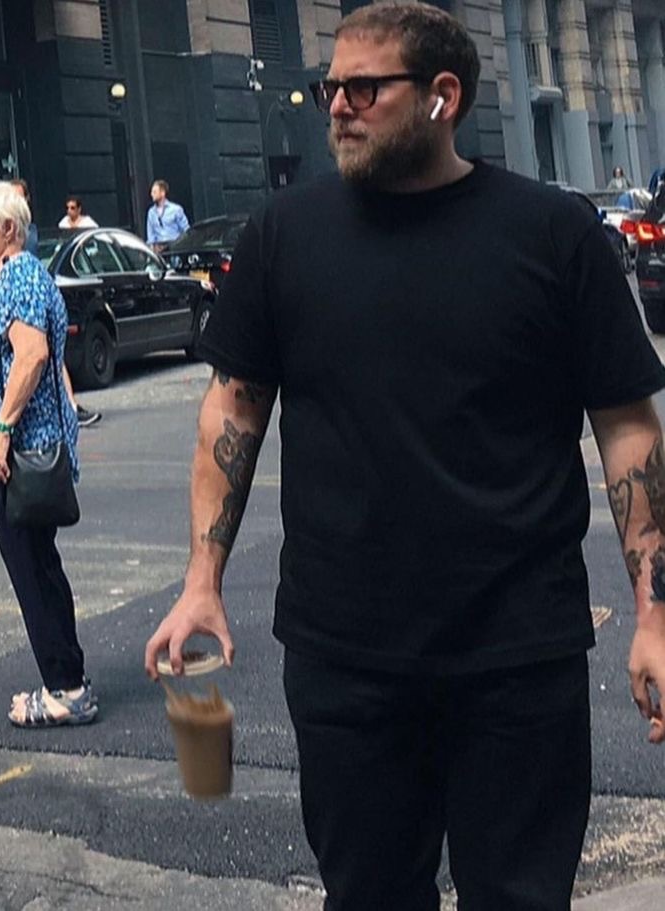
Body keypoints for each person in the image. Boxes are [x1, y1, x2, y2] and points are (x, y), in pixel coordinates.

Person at [144, 4, 665, 910]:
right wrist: (201, 579)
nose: (336, 106)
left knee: (520, 895)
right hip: (345, 656)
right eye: (328, 88)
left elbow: (628, 429)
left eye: (362, 88)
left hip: (516, 655)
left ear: (442, 97)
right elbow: (231, 412)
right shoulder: (281, 238)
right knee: (369, 893)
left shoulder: (553, 234)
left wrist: (653, 615)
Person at [0, 180, 97, 727]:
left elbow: (32, 355)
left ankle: (65, 688)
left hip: (19, 458)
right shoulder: (2, 280)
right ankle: (67, 677)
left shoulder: (16, 277)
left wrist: (0, 430)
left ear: (8, 230)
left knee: (32, 569)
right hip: (14, 455)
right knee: (39, 565)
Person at [10, 180, 101, 428]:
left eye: (19, 198)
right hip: (19, 300)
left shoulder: (30, 233)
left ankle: (69, 406)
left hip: (34, 298)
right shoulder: (11, 233)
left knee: (50, 355)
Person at [146, 179, 189, 253]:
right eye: (151, 192)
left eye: (154, 192)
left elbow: (186, 230)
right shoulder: (151, 212)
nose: (151, 194)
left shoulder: (176, 209)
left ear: (162, 193)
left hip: (175, 247)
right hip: (159, 250)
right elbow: (151, 234)